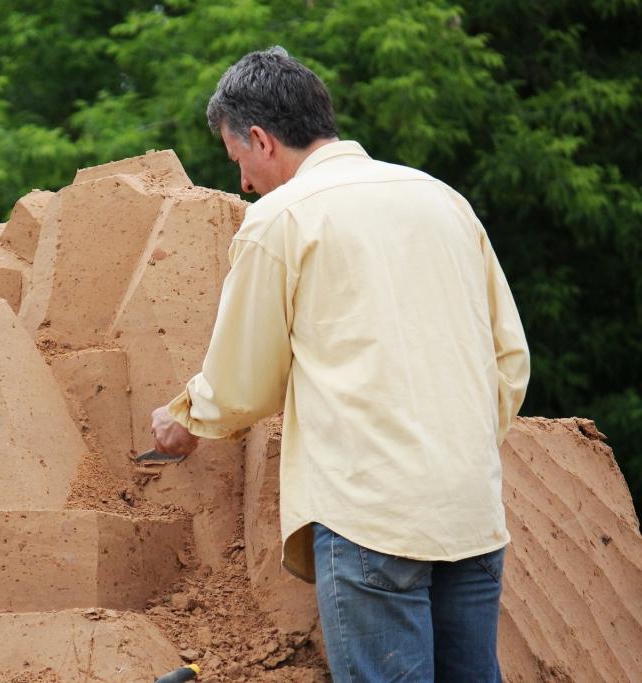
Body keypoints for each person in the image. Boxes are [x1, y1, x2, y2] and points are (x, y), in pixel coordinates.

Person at [150, 47, 530, 683]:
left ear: (262, 140)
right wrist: (459, 451)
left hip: (370, 516)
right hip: (469, 511)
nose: (242, 182)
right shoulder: (444, 202)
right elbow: (509, 361)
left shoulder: (280, 218)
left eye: (238, 159)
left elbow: (245, 381)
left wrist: (187, 417)